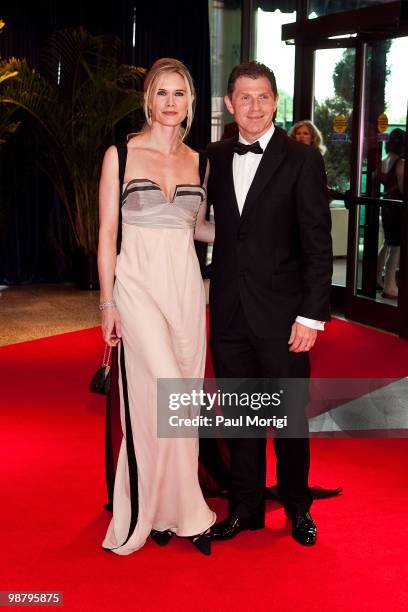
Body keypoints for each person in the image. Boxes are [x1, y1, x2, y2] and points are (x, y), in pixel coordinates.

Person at [207, 61, 332, 546]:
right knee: (240, 416)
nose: (254, 106)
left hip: (285, 317)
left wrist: (311, 315)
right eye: (244, 97)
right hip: (229, 313)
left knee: (288, 418)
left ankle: (298, 508)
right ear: (228, 104)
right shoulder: (214, 157)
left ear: (276, 101)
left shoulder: (301, 160)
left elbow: (318, 244)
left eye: (263, 97)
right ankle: (244, 508)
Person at [98, 58, 216, 556]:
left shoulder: (199, 161)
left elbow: (198, 228)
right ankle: (157, 510)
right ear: (149, 99)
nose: (171, 103)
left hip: (187, 291)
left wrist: (259, 235)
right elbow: (107, 234)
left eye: (180, 94)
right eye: (162, 93)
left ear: (191, 102)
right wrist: (107, 302)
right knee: (168, 394)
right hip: (138, 286)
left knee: (180, 402)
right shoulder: (120, 155)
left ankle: (178, 512)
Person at [376, 128, 405, 299]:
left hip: (386, 208)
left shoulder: (385, 159)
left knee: (388, 242)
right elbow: (402, 188)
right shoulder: (401, 162)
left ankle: (378, 276)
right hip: (396, 209)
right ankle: (389, 285)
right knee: (396, 246)